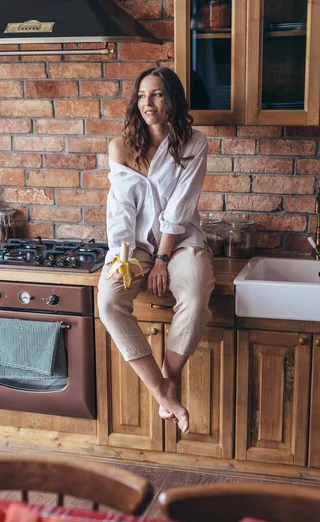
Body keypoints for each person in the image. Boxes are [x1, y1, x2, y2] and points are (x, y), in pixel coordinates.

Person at [97, 66, 215, 434]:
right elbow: (120, 210)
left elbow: (179, 207)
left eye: (158, 94)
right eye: (143, 95)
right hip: (133, 244)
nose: (148, 103)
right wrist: (121, 258)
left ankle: (168, 378)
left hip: (179, 242)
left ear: (173, 100)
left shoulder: (194, 143)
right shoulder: (120, 146)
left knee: (196, 296)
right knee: (109, 302)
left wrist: (163, 259)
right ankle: (164, 394)